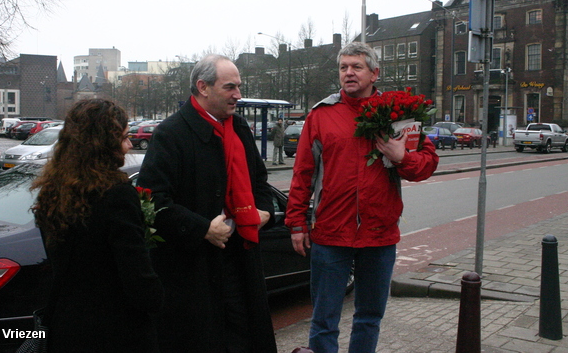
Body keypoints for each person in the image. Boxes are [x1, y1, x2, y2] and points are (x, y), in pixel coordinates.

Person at [285, 42, 439, 353]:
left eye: (356, 67)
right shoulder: (321, 115)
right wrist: (297, 224)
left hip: (379, 235)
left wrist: (401, 157)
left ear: (374, 74)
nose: (348, 73)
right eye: (343, 68)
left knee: (369, 316)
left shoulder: (399, 114)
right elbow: (303, 173)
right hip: (330, 233)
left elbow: (426, 165)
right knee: (324, 319)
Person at [137, 54, 278, 353]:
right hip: (193, 272)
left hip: (241, 257)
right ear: (203, 87)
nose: (238, 95)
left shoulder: (239, 128)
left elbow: (259, 182)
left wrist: (264, 211)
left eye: (238, 87)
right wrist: (201, 229)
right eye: (230, 87)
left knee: (244, 338)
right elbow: (151, 200)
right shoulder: (170, 134)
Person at [31, 99, 163, 353]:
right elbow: (139, 282)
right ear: (103, 143)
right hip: (114, 331)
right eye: (124, 137)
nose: (128, 145)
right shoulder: (117, 195)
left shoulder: (52, 190)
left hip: (66, 326)